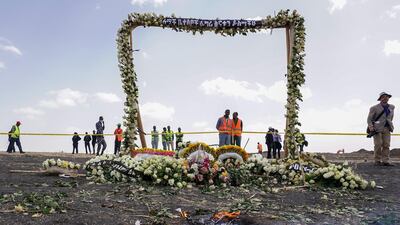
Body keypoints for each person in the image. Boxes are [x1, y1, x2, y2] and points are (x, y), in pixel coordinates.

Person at [367, 92, 395, 166]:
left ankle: (385, 161)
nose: (385, 98)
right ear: (380, 99)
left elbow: (390, 117)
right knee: (378, 144)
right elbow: (369, 119)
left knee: (386, 145)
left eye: (387, 96)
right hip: (376, 129)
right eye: (383, 97)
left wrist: (389, 124)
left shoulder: (392, 107)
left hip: (387, 128)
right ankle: (377, 160)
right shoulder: (374, 108)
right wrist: (371, 128)